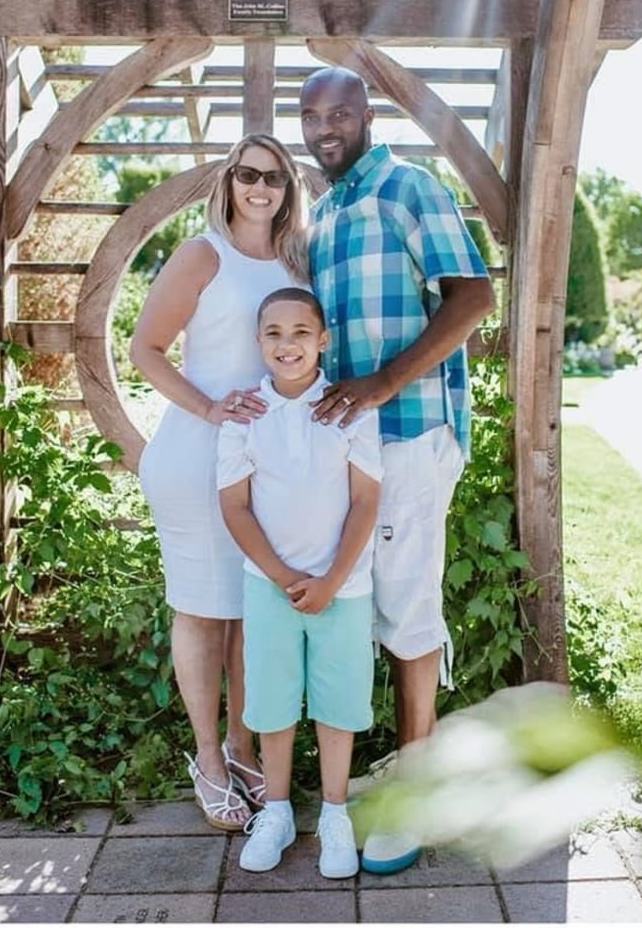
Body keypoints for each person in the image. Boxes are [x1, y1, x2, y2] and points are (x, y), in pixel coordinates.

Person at [299, 65, 497, 874]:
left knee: (408, 600)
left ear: (367, 113)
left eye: (340, 111)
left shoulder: (407, 187)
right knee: (368, 598)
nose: (325, 127)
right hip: (352, 445)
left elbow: (473, 295)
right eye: (311, 115)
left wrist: (382, 382)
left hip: (411, 431)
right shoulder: (320, 212)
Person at [130, 133, 309, 831]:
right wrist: (208, 406)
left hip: (262, 464)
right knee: (203, 610)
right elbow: (143, 346)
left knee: (247, 612)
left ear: (288, 187)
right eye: (247, 173)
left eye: (274, 176)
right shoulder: (205, 252)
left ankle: (241, 745)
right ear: (229, 180)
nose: (260, 187)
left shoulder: (294, 259)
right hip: (197, 456)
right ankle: (206, 756)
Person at [218, 287, 382, 878]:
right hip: (271, 587)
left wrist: (332, 579)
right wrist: (286, 577)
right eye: (274, 333)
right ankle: (279, 810)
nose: (288, 345)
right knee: (273, 700)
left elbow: (366, 499)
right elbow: (235, 506)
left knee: (338, 700)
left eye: (300, 332)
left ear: (323, 339)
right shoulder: (245, 416)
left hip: (344, 586)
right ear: (259, 341)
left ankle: (335, 813)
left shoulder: (351, 409)